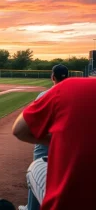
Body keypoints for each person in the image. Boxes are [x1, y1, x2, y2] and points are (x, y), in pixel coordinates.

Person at [12, 77, 96, 210]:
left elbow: (19, 130)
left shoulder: (70, 86)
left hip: (68, 203)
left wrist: (61, 141)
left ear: (52, 77)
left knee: (37, 164)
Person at [18, 64, 68, 210]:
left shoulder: (44, 95)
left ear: (53, 77)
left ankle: (32, 208)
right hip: (67, 144)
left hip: (45, 143)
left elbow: (29, 125)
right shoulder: (76, 95)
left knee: (36, 173)